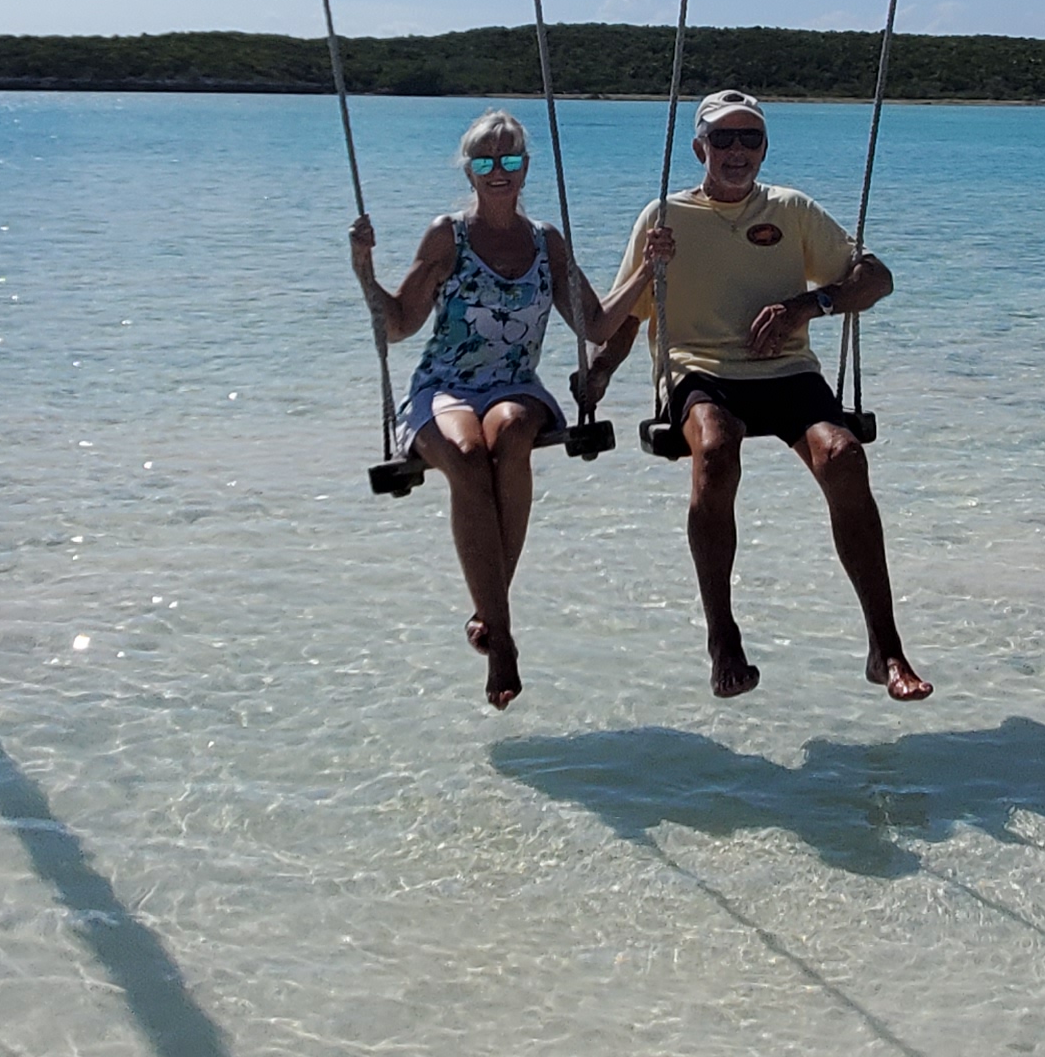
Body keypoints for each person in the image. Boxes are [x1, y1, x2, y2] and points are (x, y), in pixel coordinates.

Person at [595, 90, 929, 703]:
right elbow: (632, 312)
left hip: (787, 370)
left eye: (749, 138)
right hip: (699, 371)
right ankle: (723, 638)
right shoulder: (664, 217)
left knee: (844, 456)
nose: (736, 150)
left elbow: (875, 279)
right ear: (699, 147)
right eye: (722, 138)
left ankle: (885, 648)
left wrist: (808, 304)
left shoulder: (791, 209)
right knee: (716, 448)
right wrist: (598, 376)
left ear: (765, 148)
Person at [350, 109, 625, 709]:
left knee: (514, 432)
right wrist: (364, 271)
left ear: (525, 167)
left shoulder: (545, 242)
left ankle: (492, 622)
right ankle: (502, 635)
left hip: (515, 385)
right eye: (485, 160)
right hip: (444, 386)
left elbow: (596, 323)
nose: (498, 170)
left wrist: (652, 272)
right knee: (467, 453)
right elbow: (397, 325)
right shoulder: (446, 236)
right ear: (469, 170)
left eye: (510, 159)